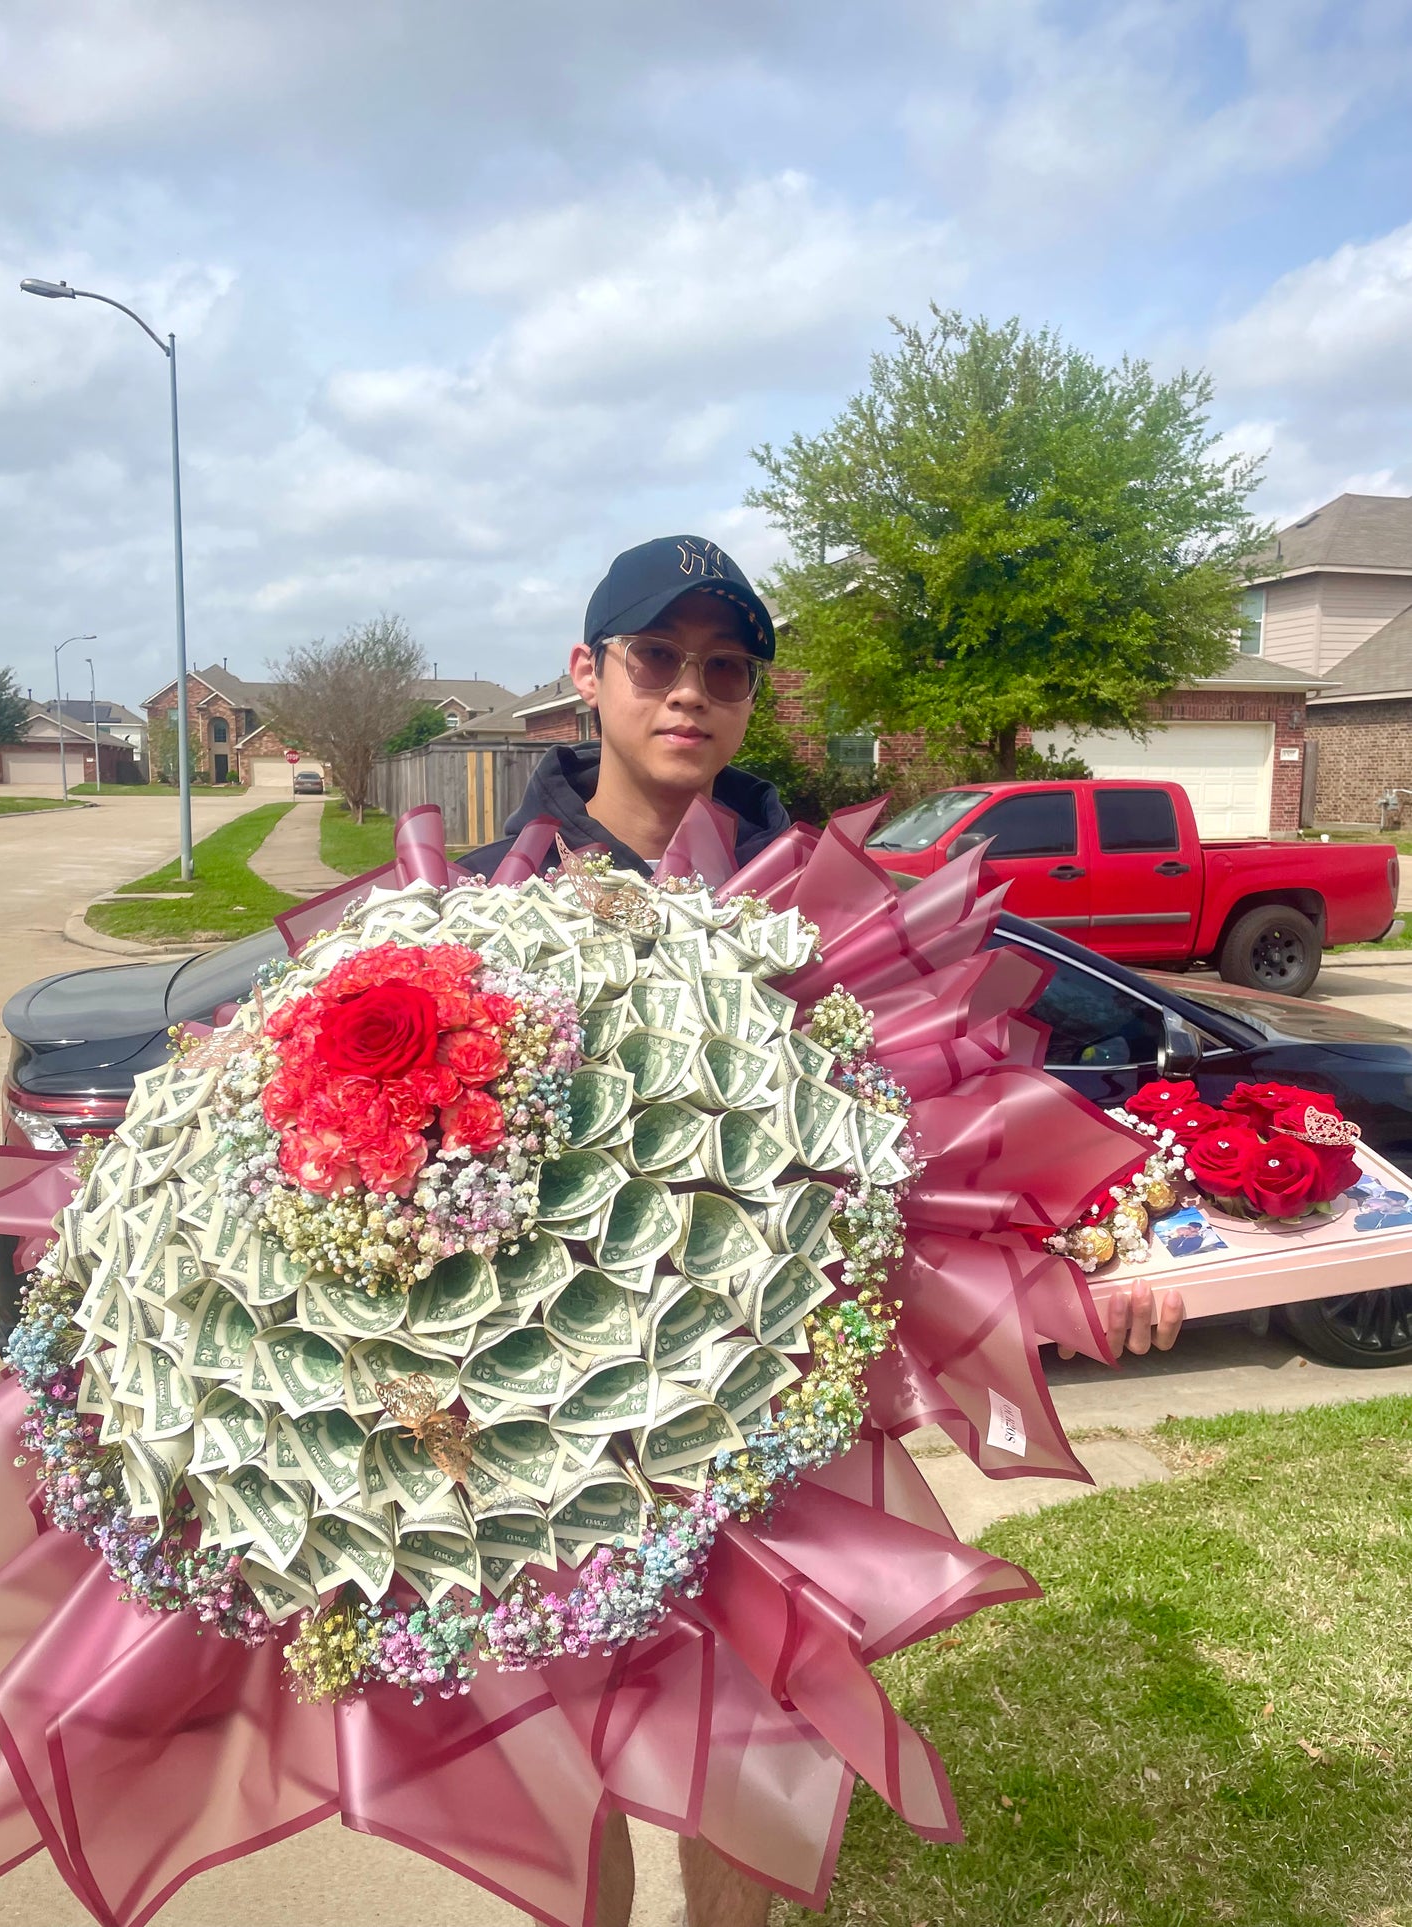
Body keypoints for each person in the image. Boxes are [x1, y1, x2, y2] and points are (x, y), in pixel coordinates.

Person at [467, 533, 1184, 1927]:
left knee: (751, 1742)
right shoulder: (492, 899)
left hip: (770, 1414)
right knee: (579, 1776)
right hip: (548, 1432)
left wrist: (1109, 1244)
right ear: (586, 673)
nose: (688, 692)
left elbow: (948, 1124)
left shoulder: (813, 896)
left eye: (721, 669)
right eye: (655, 659)